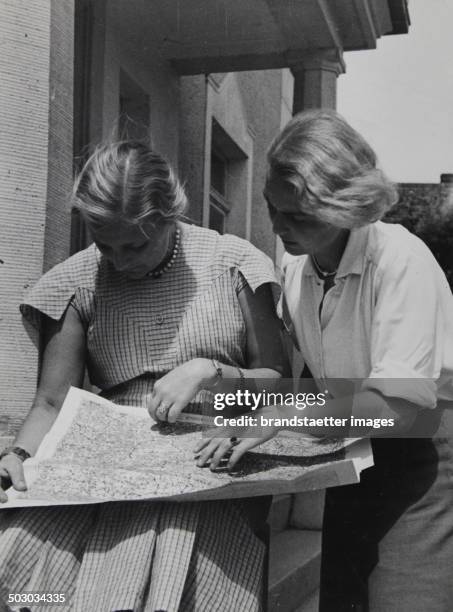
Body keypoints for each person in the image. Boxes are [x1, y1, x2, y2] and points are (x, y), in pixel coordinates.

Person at [0, 141, 286, 611]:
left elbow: (278, 380)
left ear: (171, 215)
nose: (118, 260)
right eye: (102, 243)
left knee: (171, 566)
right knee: (19, 553)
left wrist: (212, 373)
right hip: (111, 468)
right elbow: (50, 403)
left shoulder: (232, 262)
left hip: (213, 459)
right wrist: (18, 454)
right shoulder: (76, 281)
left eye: (135, 244)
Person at [196, 109, 453, 611]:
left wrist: (281, 416)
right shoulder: (297, 263)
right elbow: (310, 386)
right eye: (274, 208)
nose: (278, 226)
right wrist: (215, 395)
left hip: (420, 452)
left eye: (298, 216)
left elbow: (397, 408)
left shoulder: (403, 261)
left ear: (345, 207)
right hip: (352, 451)